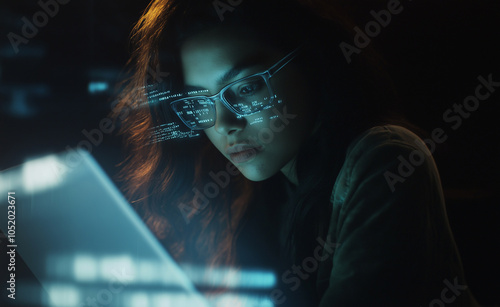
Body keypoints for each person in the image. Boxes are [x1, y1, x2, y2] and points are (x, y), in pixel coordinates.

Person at [112, 0, 481, 306]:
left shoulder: (385, 158)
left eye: (247, 87)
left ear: (312, 63)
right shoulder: (262, 193)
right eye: (200, 101)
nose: (224, 123)